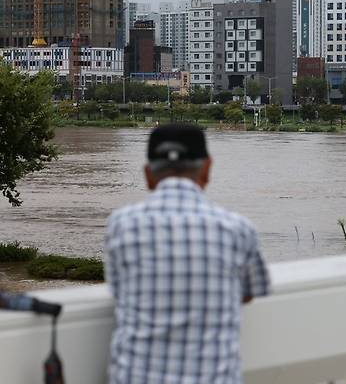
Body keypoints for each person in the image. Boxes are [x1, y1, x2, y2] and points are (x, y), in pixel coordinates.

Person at [104, 124, 270, 384]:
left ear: (149, 175)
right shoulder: (238, 229)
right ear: (207, 168)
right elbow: (251, 291)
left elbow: (118, 289)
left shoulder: (121, 225)